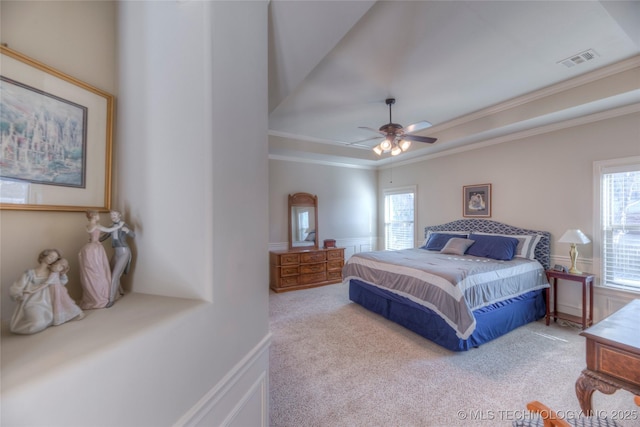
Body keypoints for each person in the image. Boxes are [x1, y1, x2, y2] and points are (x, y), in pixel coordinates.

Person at [9, 248, 60, 334]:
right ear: (43, 256)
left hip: (48, 304)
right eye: (51, 256)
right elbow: (16, 287)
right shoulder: (30, 273)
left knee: (51, 319)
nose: (52, 259)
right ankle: (22, 325)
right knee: (37, 324)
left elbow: (61, 284)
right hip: (31, 304)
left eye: (55, 258)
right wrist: (19, 295)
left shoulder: (53, 273)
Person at [79, 211, 122, 309]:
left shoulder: (88, 225)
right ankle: (102, 296)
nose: (99, 216)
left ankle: (93, 296)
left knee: (91, 273)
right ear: (94, 216)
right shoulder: (96, 225)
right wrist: (120, 225)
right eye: (98, 215)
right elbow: (108, 230)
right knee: (100, 271)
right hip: (95, 249)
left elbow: (97, 233)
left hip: (88, 247)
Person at [100, 210, 135, 307]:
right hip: (116, 252)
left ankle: (111, 299)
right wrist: (93, 239)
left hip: (124, 252)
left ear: (119, 215)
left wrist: (127, 231)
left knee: (115, 275)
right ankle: (121, 291)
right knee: (110, 272)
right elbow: (104, 237)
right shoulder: (111, 227)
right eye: (111, 215)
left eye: (114, 215)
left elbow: (133, 235)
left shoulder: (124, 225)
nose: (113, 216)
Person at [47, 258, 84, 325]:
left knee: (64, 302)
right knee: (56, 303)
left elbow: (64, 280)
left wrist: (63, 274)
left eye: (62, 267)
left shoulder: (56, 273)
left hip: (59, 291)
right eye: (57, 265)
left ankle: (76, 313)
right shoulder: (51, 272)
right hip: (53, 291)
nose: (59, 267)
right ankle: (59, 317)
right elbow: (48, 282)